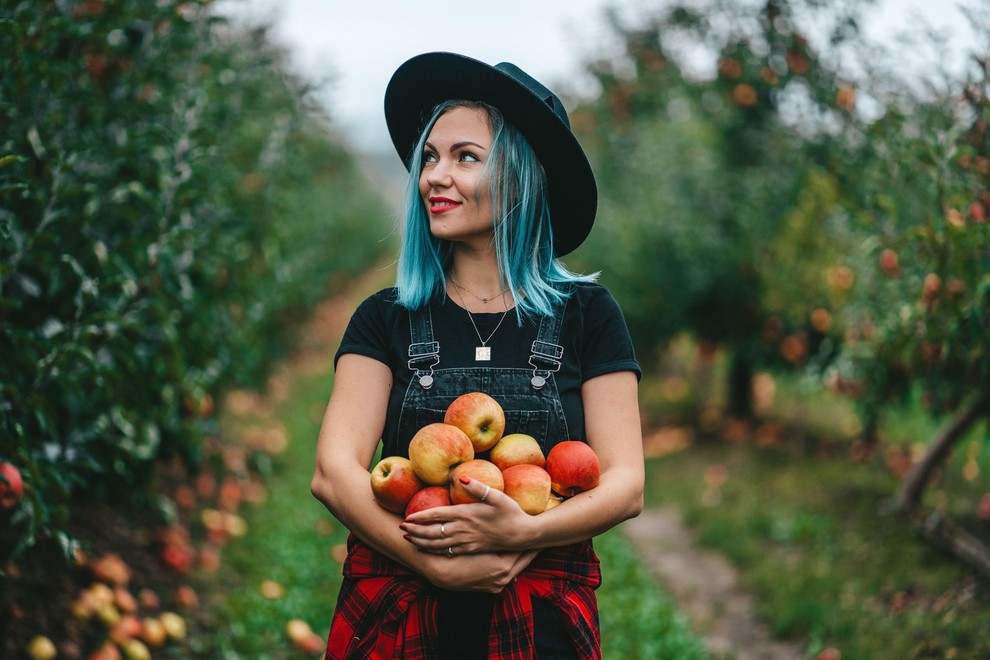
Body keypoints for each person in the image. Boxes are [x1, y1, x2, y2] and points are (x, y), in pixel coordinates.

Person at [311, 51, 644, 659]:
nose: (435, 176)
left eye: (466, 157)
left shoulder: (586, 316)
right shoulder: (385, 318)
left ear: (521, 175)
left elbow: (626, 484)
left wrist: (532, 531)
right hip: (401, 609)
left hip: (538, 620)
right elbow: (333, 473)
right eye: (430, 158)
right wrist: (430, 564)